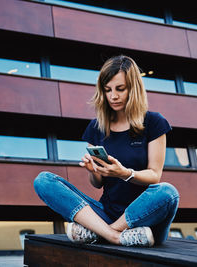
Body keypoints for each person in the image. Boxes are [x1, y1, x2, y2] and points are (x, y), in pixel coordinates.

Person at [34, 55, 179, 247]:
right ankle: (114, 236)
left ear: (133, 88)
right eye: (107, 90)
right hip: (107, 212)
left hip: (146, 221)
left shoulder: (154, 122)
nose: (113, 96)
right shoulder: (96, 128)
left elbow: (154, 175)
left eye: (120, 89)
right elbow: (97, 184)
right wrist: (94, 172)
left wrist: (124, 173)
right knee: (43, 181)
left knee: (168, 192)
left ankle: (100, 232)